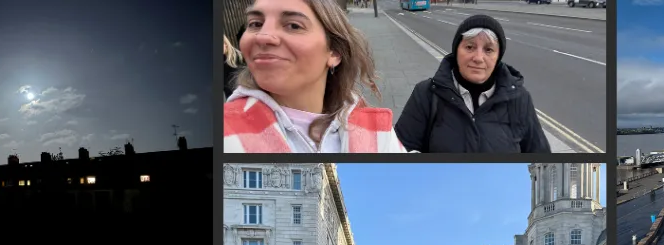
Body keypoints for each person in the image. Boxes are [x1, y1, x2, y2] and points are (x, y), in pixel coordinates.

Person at [225, 0, 403, 153]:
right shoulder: (226, 127)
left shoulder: (378, 131)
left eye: (293, 25)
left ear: (334, 52)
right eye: (255, 23)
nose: (262, 37)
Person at [393, 14, 550, 153]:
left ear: (498, 57)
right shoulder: (427, 94)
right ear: (456, 51)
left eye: (488, 50)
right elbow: (398, 153)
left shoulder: (520, 99)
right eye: (470, 47)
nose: (478, 58)